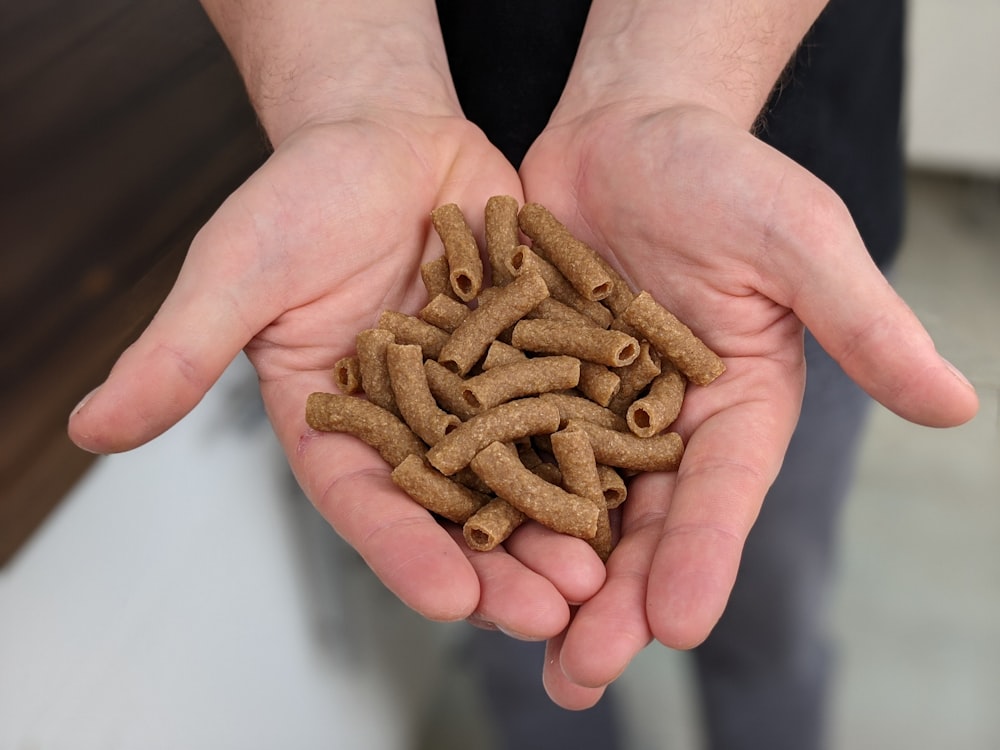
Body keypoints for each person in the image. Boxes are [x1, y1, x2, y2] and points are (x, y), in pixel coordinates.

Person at [68, 0, 978, 747]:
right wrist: (349, 82)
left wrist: (674, 80)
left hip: (736, 243)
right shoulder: (446, 346)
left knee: (763, 608)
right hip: (408, 184)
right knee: (518, 618)